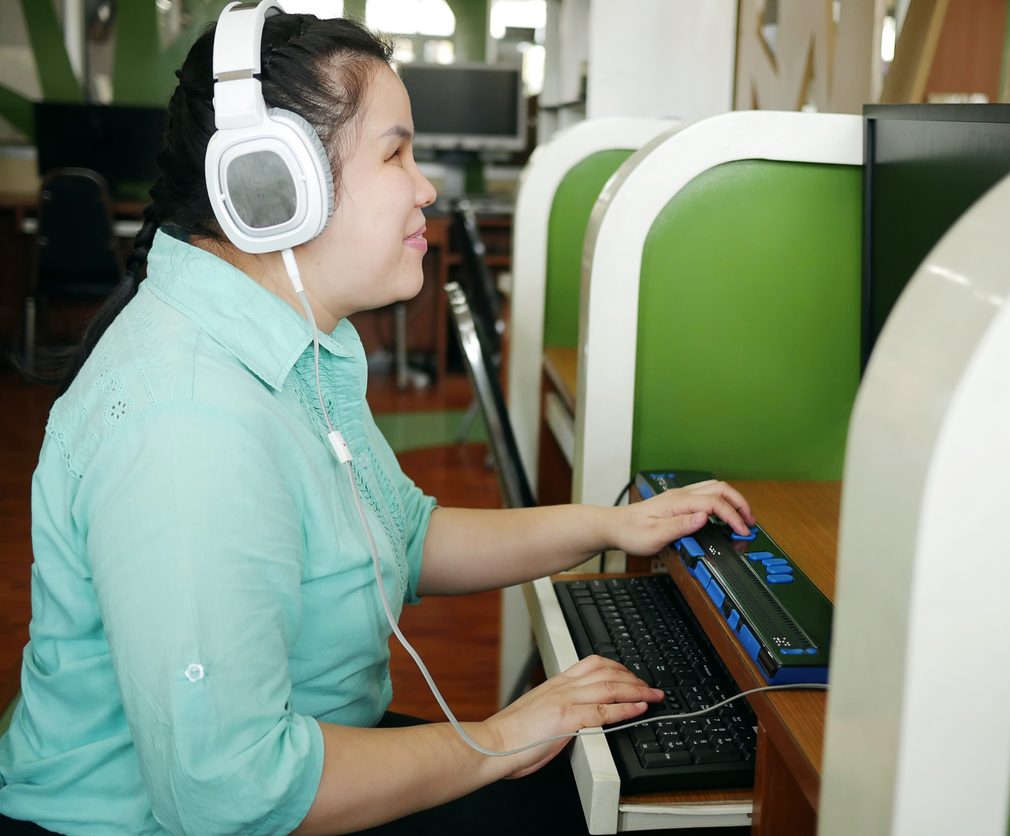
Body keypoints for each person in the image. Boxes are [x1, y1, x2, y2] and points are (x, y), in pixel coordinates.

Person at [0, 8, 755, 835]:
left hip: (306, 769)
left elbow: (404, 535)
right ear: (273, 185)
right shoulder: (190, 424)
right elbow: (234, 793)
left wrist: (611, 524)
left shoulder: (297, 348)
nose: (425, 185)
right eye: (395, 152)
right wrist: (504, 735)